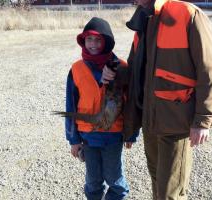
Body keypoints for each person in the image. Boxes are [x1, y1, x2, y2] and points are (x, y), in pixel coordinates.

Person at [101, 0, 212, 199]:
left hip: (176, 122)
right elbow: (136, 70)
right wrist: (115, 73)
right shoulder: (143, 18)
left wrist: (203, 119)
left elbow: (208, 71)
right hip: (150, 120)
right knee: (158, 183)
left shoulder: (188, 14)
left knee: (171, 192)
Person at [65, 17, 138, 200]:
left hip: (113, 135)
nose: (93, 44)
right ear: (83, 41)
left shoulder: (121, 66)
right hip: (87, 137)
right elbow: (70, 105)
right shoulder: (76, 69)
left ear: (107, 42)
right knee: (93, 181)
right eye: (89, 39)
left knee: (115, 179)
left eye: (98, 39)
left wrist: (131, 133)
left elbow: (130, 104)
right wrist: (73, 139)